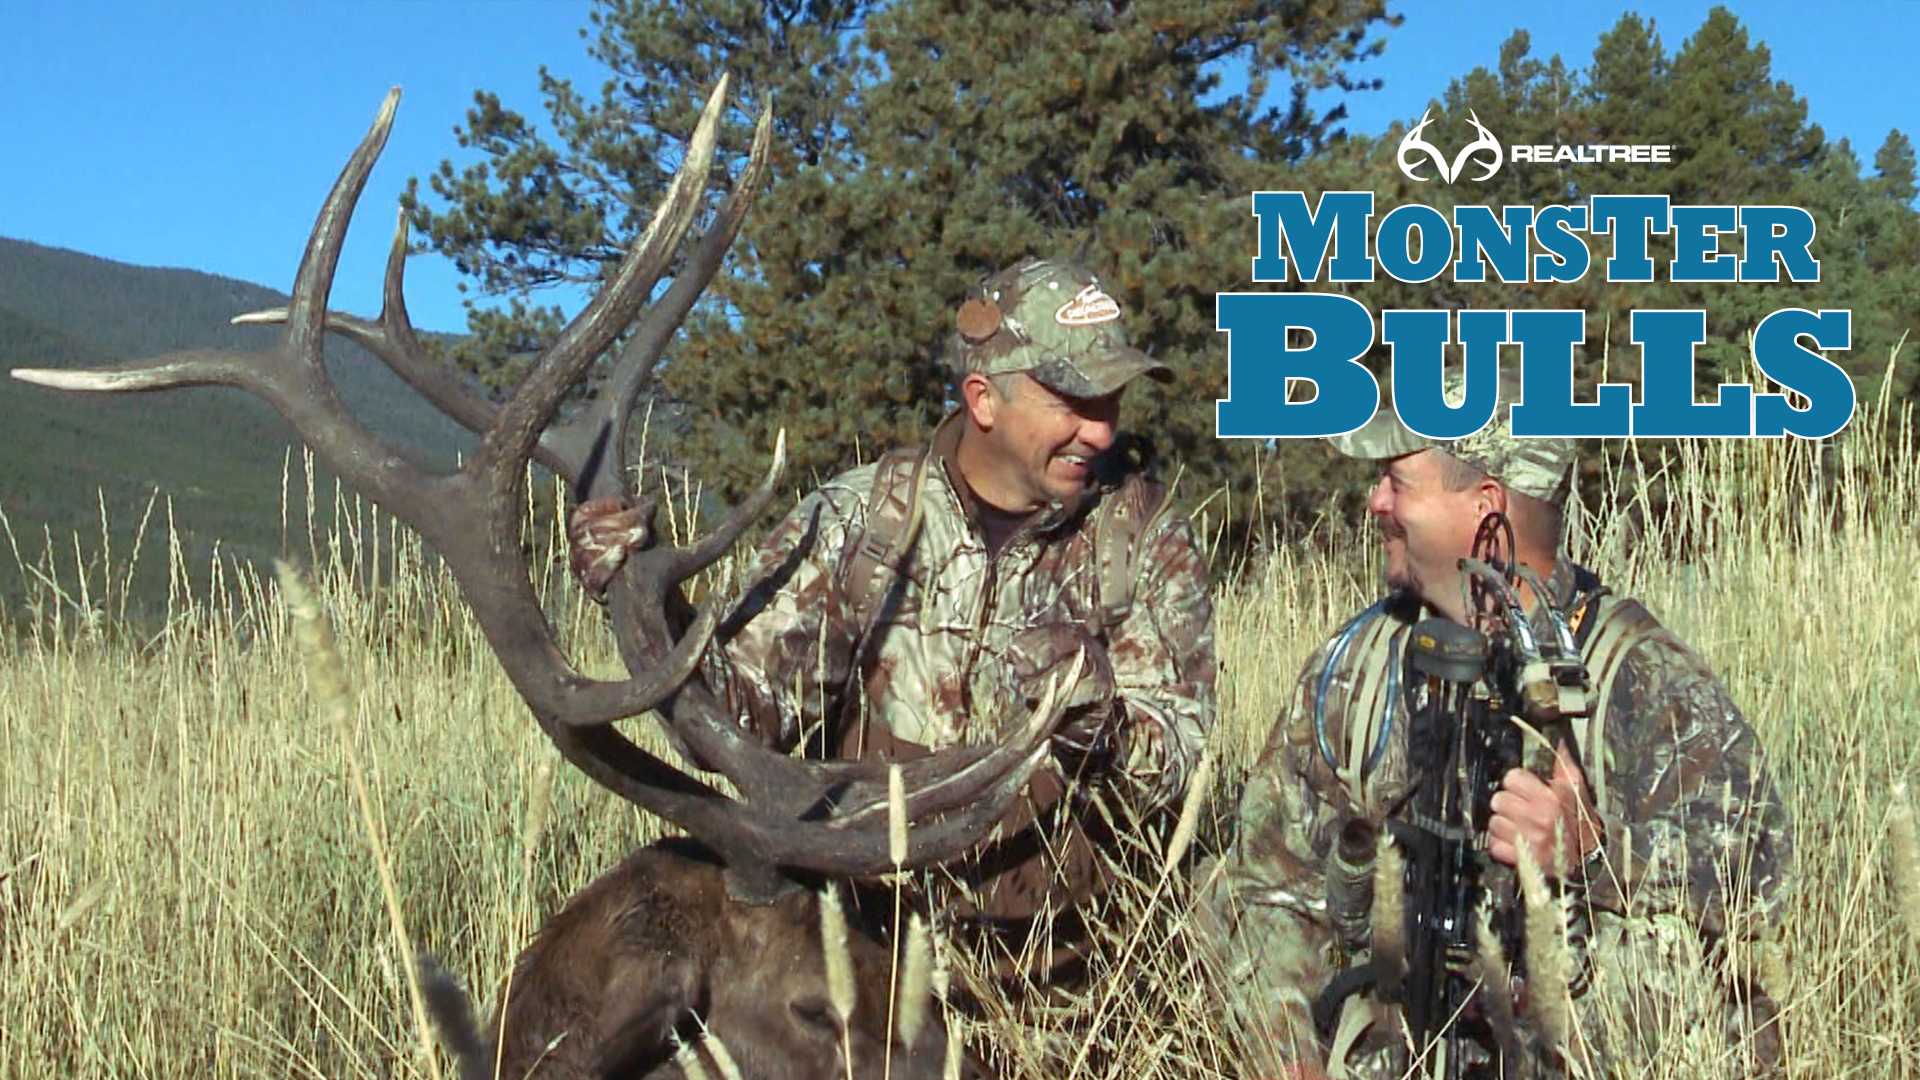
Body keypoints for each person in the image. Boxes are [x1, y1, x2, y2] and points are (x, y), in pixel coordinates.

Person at [570, 256, 1216, 975]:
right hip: (866, 979)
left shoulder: (1144, 539)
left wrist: (1105, 725)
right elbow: (737, 719)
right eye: (1073, 401)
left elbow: (1179, 766)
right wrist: (646, 595)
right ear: (984, 399)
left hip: (1070, 974)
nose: (1099, 433)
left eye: (1112, 403)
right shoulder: (858, 525)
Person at [1193, 370, 1793, 1079]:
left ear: (1485, 506)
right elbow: (1266, 887)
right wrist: (1288, 1050)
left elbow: (1760, 885)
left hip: (1570, 1052)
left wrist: (1595, 854)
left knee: (1653, 955)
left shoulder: (1642, 680)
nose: (1374, 502)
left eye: (1397, 481)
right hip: (1390, 1052)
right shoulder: (1354, 669)